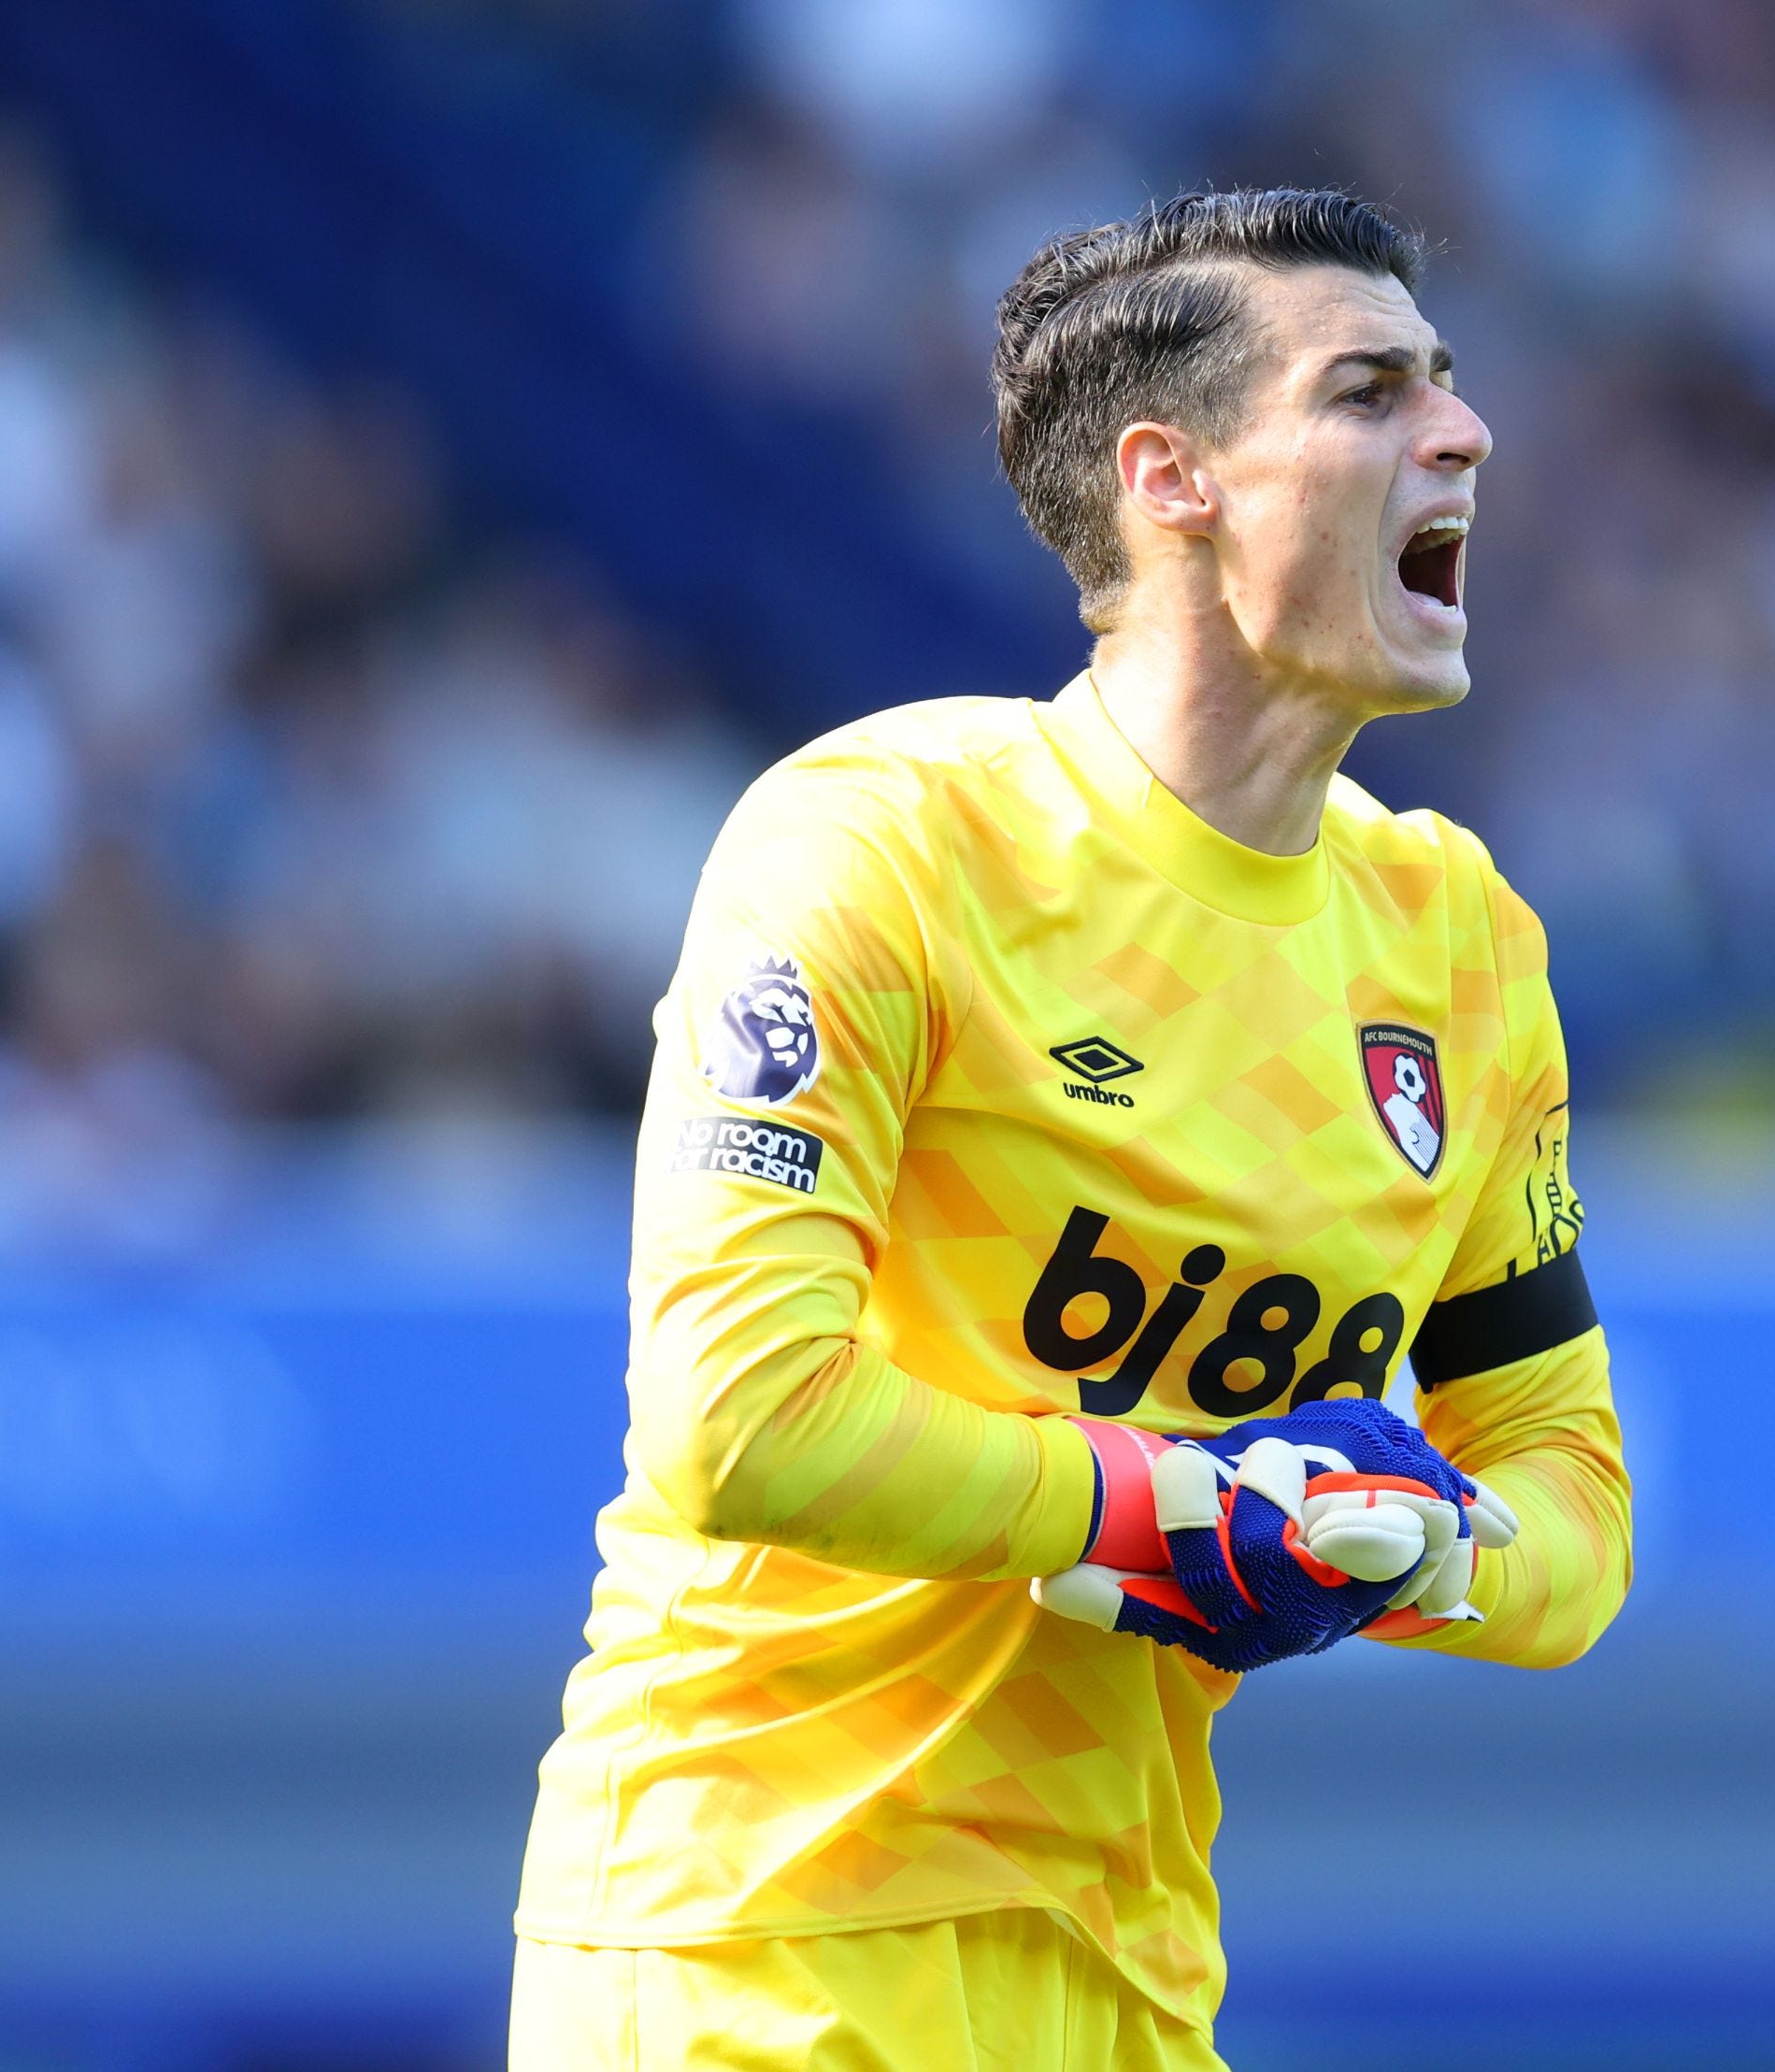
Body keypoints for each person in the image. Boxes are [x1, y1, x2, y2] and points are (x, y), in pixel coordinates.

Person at [509, 188, 1630, 2071]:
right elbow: (739, 1415)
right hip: (753, 1932)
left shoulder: (1457, 947)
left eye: (1444, 382)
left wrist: (1411, 1546)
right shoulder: (885, 844)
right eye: (1368, 392)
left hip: (1127, 1973)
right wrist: (1183, 1506)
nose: (1464, 432)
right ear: (1171, 479)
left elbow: (1570, 1508)